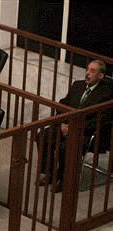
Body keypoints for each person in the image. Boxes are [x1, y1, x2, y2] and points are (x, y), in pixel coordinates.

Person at [38, 60, 112, 192]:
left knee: (65, 147)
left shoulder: (106, 94)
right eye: (88, 69)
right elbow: (64, 104)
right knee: (43, 136)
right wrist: (62, 122)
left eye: (92, 71)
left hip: (86, 132)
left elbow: (101, 119)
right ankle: (48, 173)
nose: (88, 73)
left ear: (101, 76)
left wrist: (74, 127)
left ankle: (64, 179)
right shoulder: (77, 85)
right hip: (66, 125)